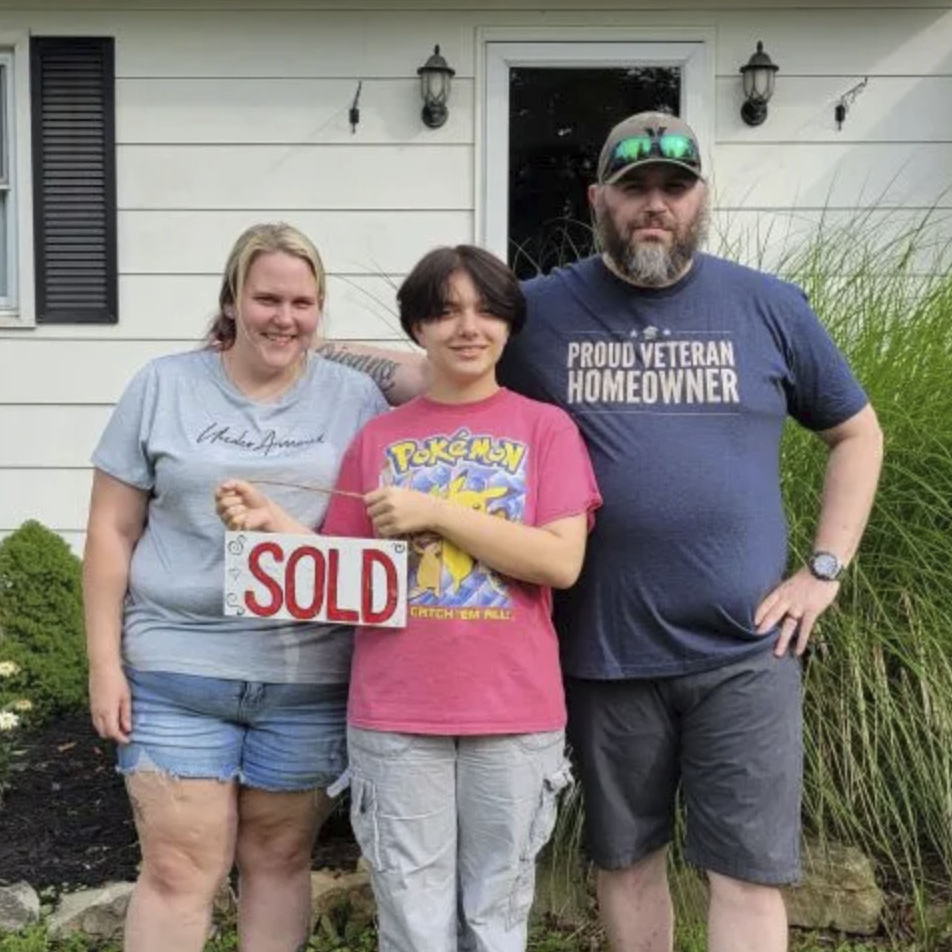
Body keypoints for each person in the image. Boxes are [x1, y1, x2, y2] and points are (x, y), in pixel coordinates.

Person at [317, 113, 885, 952]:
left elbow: (857, 433)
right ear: (598, 200)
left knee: (748, 872)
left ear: (701, 199)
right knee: (625, 862)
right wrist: (301, 345)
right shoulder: (542, 311)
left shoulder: (768, 307)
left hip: (746, 649)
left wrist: (825, 569)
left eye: (674, 187)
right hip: (605, 651)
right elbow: (441, 369)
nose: (654, 205)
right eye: (634, 188)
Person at [217, 245, 602, 952]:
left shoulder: (545, 429)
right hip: (396, 712)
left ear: (510, 326)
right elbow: (345, 578)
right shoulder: (379, 438)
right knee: (412, 921)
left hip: (513, 711)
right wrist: (274, 526)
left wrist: (438, 513)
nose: (468, 326)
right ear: (417, 326)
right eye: (445, 310)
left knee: (496, 915)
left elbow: (560, 560)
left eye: (487, 310)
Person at [82, 222, 387, 952]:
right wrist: (102, 665)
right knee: (179, 868)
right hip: (177, 668)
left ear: (321, 310)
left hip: (307, 673)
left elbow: (370, 540)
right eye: (267, 298)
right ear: (232, 299)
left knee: (279, 861)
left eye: (303, 302)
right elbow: (110, 533)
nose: (285, 317)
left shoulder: (355, 400)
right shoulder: (163, 386)